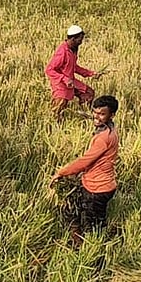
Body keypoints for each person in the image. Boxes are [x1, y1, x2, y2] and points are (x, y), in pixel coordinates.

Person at [50, 95, 119, 245]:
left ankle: (95, 252)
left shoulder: (103, 138)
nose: (96, 116)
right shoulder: (109, 130)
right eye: (95, 112)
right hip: (98, 185)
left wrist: (61, 172)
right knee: (75, 209)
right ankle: (78, 240)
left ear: (111, 115)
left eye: (102, 114)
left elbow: (84, 161)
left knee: (93, 226)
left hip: (98, 189)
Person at [45, 25, 97, 120]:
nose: (81, 42)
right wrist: (64, 79)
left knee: (89, 93)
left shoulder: (73, 49)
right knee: (59, 108)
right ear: (73, 39)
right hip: (60, 84)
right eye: (80, 39)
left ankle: (83, 115)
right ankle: (54, 125)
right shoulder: (62, 52)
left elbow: (74, 67)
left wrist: (90, 73)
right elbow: (49, 69)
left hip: (71, 81)